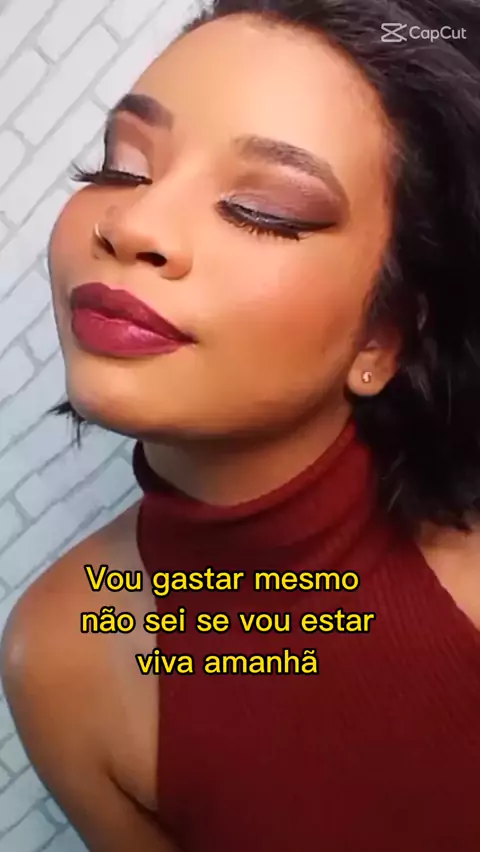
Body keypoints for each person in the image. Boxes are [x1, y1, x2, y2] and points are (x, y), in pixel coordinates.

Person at [2, 0, 480, 849]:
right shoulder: (61, 655)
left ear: (383, 336)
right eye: (122, 168)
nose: (133, 225)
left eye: (262, 208)